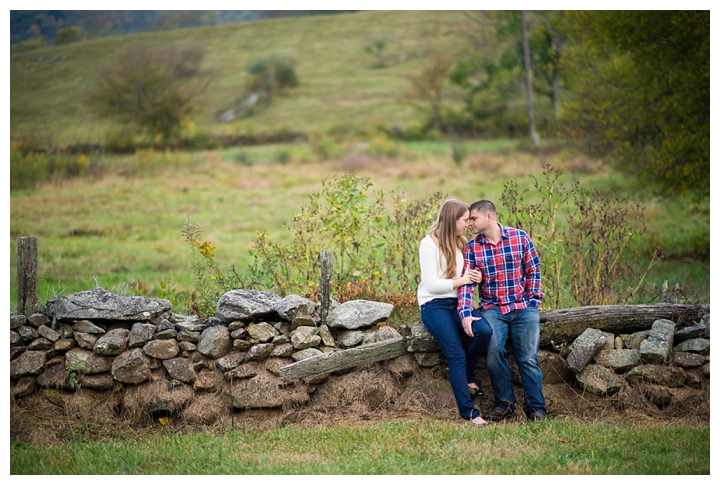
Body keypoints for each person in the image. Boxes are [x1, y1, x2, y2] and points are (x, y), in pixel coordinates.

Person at [458, 199, 547, 422]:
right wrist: (465, 312)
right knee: (494, 354)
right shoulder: (473, 247)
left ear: (489, 217)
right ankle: (505, 403)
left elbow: (533, 270)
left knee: (527, 358)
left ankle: (536, 408)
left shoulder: (520, 237)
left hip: (523, 306)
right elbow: (467, 284)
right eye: (468, 220)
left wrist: (533, 302)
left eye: (473, 218)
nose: (470, 223)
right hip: (492, 308)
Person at [418, 199, 494, 427]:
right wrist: (462, 280)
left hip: (458, 303)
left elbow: (469, 276)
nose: (468, 224)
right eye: (464, 220)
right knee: (456, 354)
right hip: (434, 305)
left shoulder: (463, 244)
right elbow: (431, 285)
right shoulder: (428, 244)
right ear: (452, 220)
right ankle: (469, 413)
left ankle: (467, 375)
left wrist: (475, 278)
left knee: (484, 331)